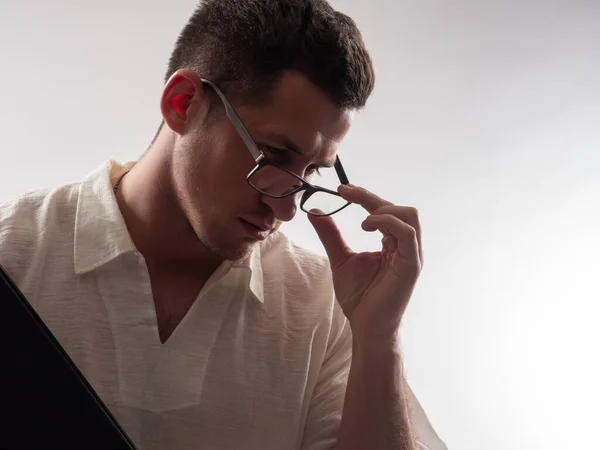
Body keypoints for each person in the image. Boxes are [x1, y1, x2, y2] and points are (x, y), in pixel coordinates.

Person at [0, 0, 447, 449]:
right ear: (183, 104)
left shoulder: (326, 306)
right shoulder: (14, 253)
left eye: (311, 172)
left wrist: (378, 337)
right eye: (273, 156)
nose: (288, 209)